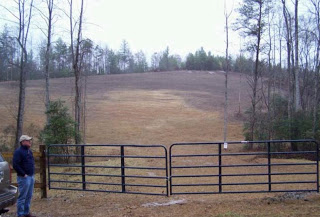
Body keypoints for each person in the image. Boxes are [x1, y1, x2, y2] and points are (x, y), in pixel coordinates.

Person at [13, 135, 36, 217]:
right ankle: (20, 214)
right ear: (23, 142)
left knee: (29, 196)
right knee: (22, 197)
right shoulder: (18, 152)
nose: (30, 142)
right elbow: (15, 165)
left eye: (29, 140)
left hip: (31, 176)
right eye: (27, 140)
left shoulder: (29, 151)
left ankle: (26, 212)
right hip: (24, 178)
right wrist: (23, 174)